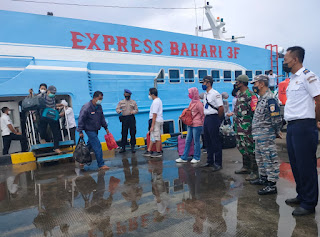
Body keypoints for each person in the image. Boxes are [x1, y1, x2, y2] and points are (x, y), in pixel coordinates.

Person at [283, 46, 320, 216]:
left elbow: (318, 99)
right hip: (292, 126)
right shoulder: (292, 80)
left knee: (306, 165)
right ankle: (302, 195)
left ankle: (309, 203)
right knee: (296, 164)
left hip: (305, 125)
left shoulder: (308, 76)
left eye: (286, 59)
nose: (284, 62)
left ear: (295, 59)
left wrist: (317, 120)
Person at [250, 75, 282, 195]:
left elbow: (276, 119)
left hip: (266, 135)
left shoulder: (270, 99)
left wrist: (276, 131)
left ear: (262, 84)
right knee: (260, 158)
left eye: (255, 84)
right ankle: (263, 178)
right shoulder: (261, 98)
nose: (254, 86)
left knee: (269, 158)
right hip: (259, 135)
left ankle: (271, 184)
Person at [234, 75, 258, 181]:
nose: (236, 84)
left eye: (237, 82)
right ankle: (246, 167)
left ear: (242, 83)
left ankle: (255, 171)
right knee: (242, 147)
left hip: (247, 127)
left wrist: (253, 127)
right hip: (238, 126)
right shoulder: (239, 94)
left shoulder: (251, 95)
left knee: (250, 148)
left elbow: (255, 112)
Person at [77, 91, 110, 171]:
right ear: (95, 98)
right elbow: (81, 119)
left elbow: (102, 118)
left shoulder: (99, 107)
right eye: (100, 99)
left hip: (95, 129)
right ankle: (101, 164)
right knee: (97, 146)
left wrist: (106, 128)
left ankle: (82, 160)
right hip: (89, 129)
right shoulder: (87, 107)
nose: (101, 100)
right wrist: (80, 131)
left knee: (89, 146)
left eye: (101, 99)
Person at [200, 76, 224, 171]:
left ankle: (218, 163)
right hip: (207, 118)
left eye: (204, 82)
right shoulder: (206, 94)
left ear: (208, 83)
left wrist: (218, 119)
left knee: (215, 141)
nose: (202, 84)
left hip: (213, 118)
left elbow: (221, 107)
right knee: (207, 140)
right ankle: (210, 161)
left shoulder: (215, 94)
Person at [175, 87, 204, 164]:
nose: (189, 95)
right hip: (190, 123)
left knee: (196, 141)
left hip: (197, 125)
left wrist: (203, 124)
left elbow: (202, 114)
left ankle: (197, 157)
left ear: (194, 93)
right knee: (188, 141)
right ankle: (184, 157)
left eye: (190, 93)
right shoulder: (192, 102)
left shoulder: (198, 104)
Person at [38, 85, 63, 154]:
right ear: (48, 91)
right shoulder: (42, 96)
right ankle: (42, 138)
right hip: (45, 115)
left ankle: (56, 147)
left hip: (52, 116)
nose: (53, 94)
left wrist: (59, 106)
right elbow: (35, 100)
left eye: (54, 93)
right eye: (52, 92)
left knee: (56, 132)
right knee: (42, 129)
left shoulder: (53, 98)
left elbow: (53, 105)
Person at [116, 89, 138, 153]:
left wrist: (133, 111)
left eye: (128, 95)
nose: (127, 96)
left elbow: (136, 110)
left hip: (131, 117)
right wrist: (119, 111)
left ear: (130, 95)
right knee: (124, 132)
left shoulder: (133, 102)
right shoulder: (121, 102)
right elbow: (117, 108)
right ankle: (123, 147)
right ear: (124, 95)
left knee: (133, 132)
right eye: (126, 94)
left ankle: (133, 146)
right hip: (124, 118)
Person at [143, 88, 163, 158]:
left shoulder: (155, 102)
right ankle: (149, 150)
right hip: (157, 120)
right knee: (152, 136)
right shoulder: (158, 101)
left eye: (149, 94)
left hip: (156, 121)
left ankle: (158, 152)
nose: (149, 96)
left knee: (156, 137)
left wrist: (152, 125)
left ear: (152, 94)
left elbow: (154, 114)